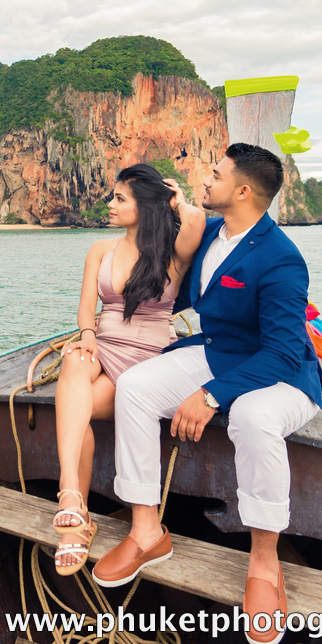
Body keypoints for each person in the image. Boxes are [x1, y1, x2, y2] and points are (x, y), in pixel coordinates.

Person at [90, 143, 322, 644]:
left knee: (251, 415)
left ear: (243, 191)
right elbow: (175, 288)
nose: (207, 179)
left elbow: (287, 350)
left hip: (281, 374)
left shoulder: (281, 259)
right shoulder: (211, 239)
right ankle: (145, 532)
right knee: (135, 387)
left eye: (217, 174)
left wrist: (211, 396)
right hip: (218, 352)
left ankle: (265, 564)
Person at [51, 163, 205, 574]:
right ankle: (71, 500)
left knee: (76, 414)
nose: (110, 204)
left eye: (120, 198)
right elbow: (88, 305)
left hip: (146, 365)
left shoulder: (173, 251)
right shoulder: (100, 249)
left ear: (146, 206)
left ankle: (75, 526)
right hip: (101, 348)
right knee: (73, 363)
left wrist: (177, 198)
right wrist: (86, 333)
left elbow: (196, 220)